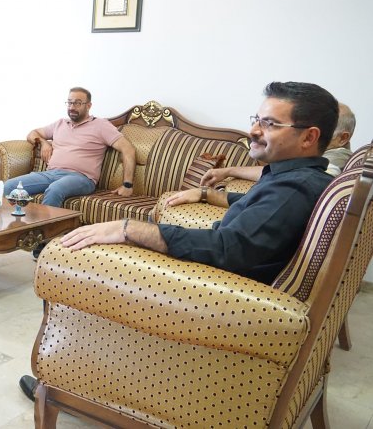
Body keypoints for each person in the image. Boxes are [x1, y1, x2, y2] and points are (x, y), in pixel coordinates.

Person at [18, 81, 338, 402]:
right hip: (221, 284)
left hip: (217, 300)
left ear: (309, 137)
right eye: (256, 119)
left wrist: (130, 229)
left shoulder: (292, 190)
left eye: (269, 124)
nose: (254, 130)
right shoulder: (296, 179)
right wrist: (205, 193)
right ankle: (76, 373)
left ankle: (61, 386)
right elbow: (255, 210)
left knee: (72, 259)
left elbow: (226, 248)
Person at [3, 87, 136, 257]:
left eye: (78, 103)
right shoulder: (60, 124)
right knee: (9, 186)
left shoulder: (101, 125)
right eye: (70, 102)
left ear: (88, 105)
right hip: (51, 173)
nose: (72, 107)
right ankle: (10, 234)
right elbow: (32, 133)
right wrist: (44, 142)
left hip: (81, 178)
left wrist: (127, 185)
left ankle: (43, 244)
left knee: (55, 189)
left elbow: (128, 149)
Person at [201, 103, 356, 184]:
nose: (307, 135)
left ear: (342, 138)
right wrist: (228, 171)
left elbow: (287, 177)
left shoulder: (335, 162)